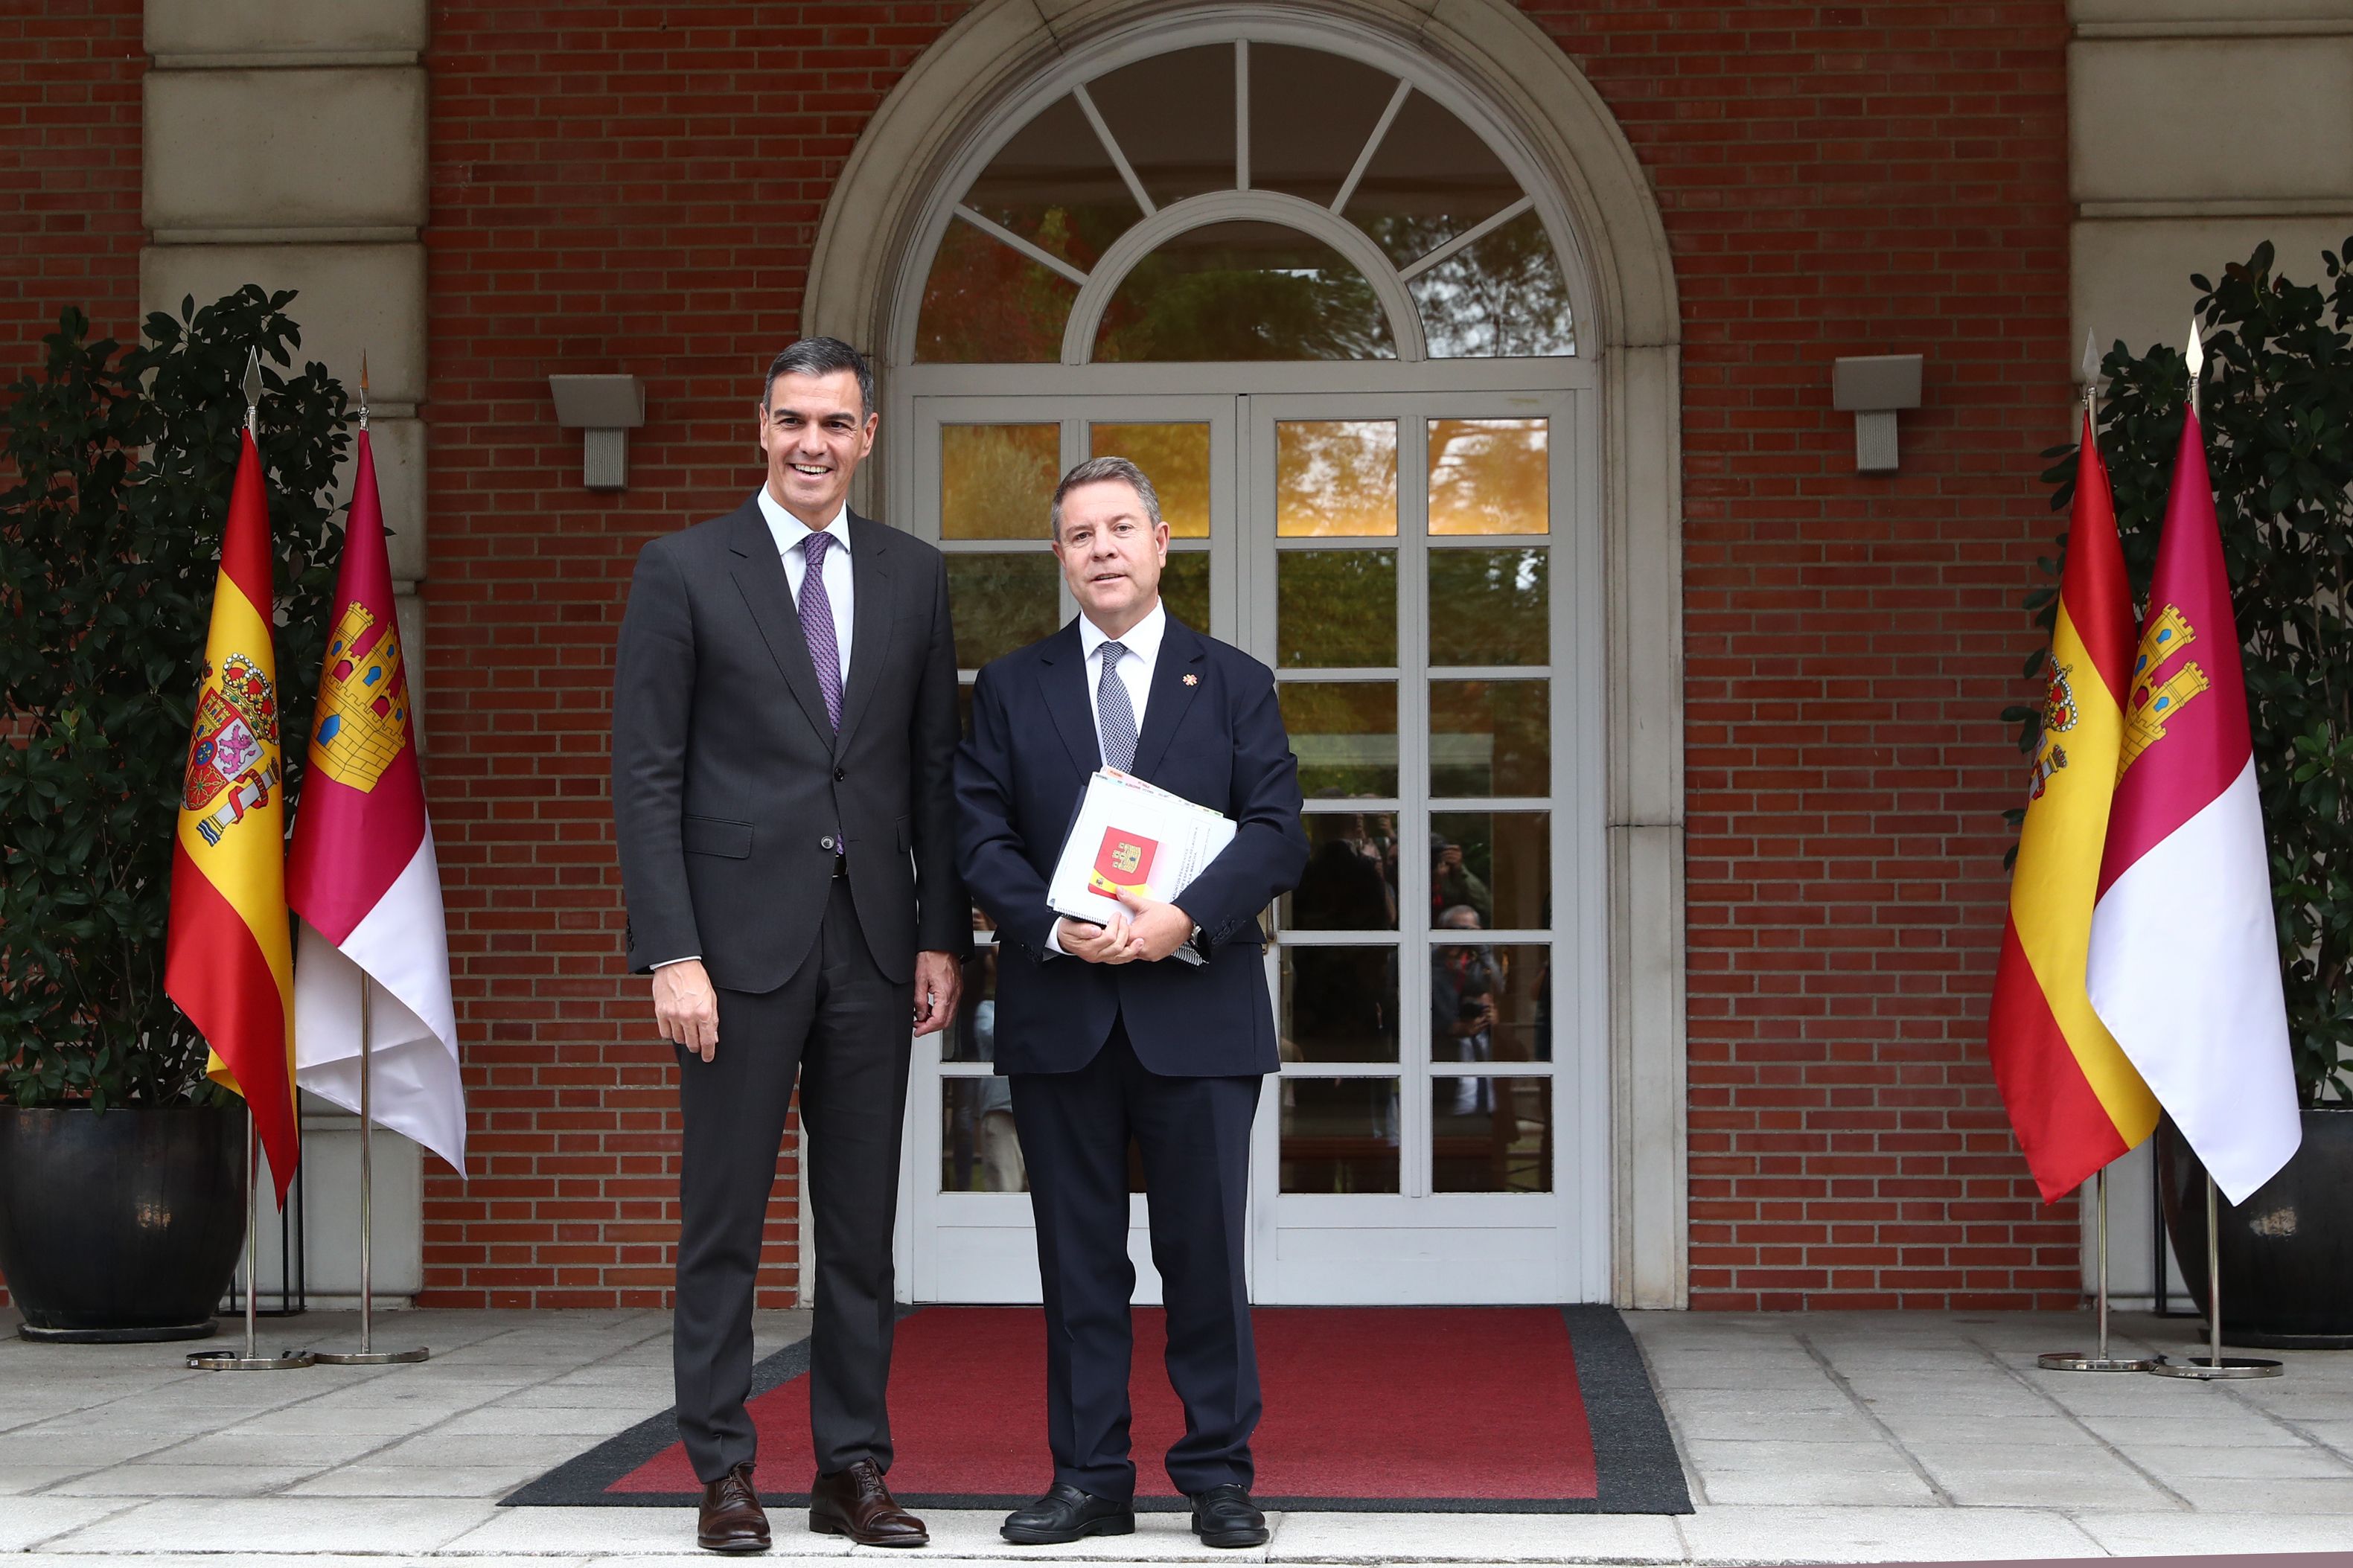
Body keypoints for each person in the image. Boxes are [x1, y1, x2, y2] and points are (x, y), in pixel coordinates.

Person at [611, 337, 967, 1555]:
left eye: (834, 422)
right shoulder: (682, 569)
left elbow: (931, 776)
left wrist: (939, 936)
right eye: (790, 420)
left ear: (868, 435)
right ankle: (721, 1470)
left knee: (859, 1230)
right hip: (730, 954)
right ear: (758, 429)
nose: (811, 442)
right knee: (723, 1220)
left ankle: (852, 1469)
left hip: (872, 945)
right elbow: (645, 775)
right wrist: (669, 951)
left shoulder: (917, 579)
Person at [954, 456, 1307, 1550]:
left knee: (1204, 1258)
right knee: (1078, 1264)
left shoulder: (1233, 680)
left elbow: (1277, 832)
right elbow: (977, 833)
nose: (1101, 548)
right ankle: (1089, 1479)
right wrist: (1049, 924)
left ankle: (1217, 1478)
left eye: (1120, 528)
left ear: (1162, 544)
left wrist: (1181, 918)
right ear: (1059, 559)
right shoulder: (1014, 687)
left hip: (1197, 1015)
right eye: (1079, 534)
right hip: (1061, 1009)